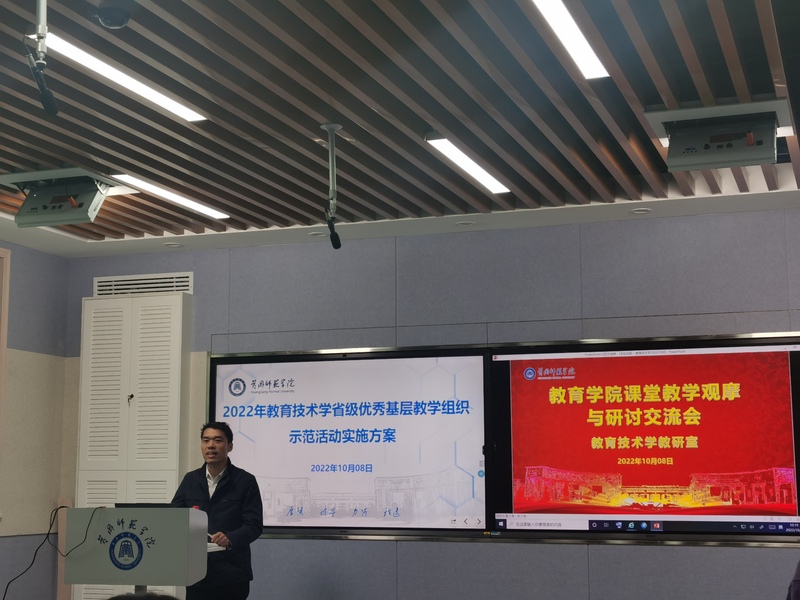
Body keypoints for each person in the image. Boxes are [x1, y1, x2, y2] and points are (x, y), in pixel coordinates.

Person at [171, 422, 263, 600]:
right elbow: (176, 516)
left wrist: (230, 538)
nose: (210, 445)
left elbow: (254, 525)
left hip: (232, 574)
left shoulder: (245, 481)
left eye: (218, 440)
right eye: (206, 440)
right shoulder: (190, 480)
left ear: (230, 446)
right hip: (197, 574)